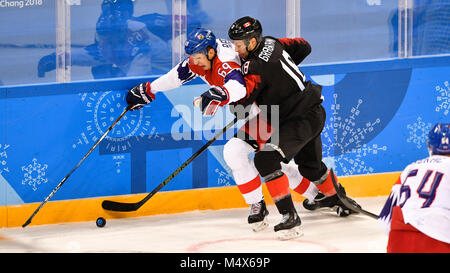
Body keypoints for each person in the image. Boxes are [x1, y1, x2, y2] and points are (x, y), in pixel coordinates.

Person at [125, 27, 326, 233]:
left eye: (198, 57)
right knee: (242, 154)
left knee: (268, 162)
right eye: (192, 57)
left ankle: (311, 196)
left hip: (270, 112)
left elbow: (237, 86)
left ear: (211, 52)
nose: (194, 61)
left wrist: (221, 94)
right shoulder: (203, 56)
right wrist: (150, 90)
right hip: (259, 111)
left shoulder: (225, 62)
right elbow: (178, 74)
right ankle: (270, 203)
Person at [228, 16, 357, 239]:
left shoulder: (254, 66)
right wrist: (282, 74)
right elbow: (303, 46)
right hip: (311, 109)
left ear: (251, 42)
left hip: (299, 118)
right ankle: (335, 197)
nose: (236, 49)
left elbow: (243, 103)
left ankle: (289, 217)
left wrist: (230, 101)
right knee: (310, 167)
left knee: (265, 159)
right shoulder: (271, 41)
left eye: (239, 44)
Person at [379, 123, 450, 253]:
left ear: (430, 145)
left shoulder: (410, 167)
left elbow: (385, 220)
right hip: (437, 242)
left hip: (398, 241)